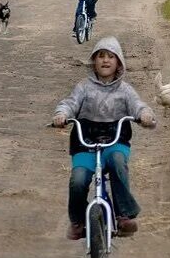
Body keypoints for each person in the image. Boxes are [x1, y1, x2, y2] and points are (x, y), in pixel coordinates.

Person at [52, 36, 156, 240]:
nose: (105, 60)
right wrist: (62, 114)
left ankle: (123, 215)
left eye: (111, 56)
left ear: (119, 63)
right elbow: (70, 103)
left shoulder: (125, 90)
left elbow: (138, 105)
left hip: (115, 142)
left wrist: (145, 115)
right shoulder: (83, 86)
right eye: (101, 56)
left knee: (118, 162)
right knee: (78, 180)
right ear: (94, 61)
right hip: (85, 144)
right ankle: (78, 221)